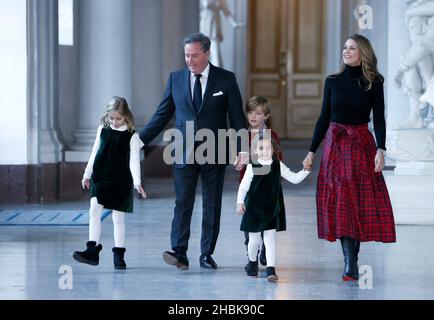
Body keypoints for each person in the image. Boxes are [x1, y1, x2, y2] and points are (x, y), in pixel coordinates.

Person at [139, 32, 246, 270]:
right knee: (183, 203)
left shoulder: (226, 79)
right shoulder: (176, 79)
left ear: (207, 53)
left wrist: (243, 149)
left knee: (211, 204)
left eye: (195, 55)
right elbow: (162, 115)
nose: (190, 60)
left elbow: (237, 118)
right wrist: (138, 141)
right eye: (187, 55)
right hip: (183, 150)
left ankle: (206, 254)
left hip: (214, 150)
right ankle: (179, 253)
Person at [303, 34, 396, 282]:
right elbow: (323, 118)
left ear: (362, 52)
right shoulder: (332, 81)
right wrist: (311, 151)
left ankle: (352, 257)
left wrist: (381, 149)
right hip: (335, 145)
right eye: (344, 47)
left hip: (362, 144)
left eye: (352, 48)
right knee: (342, 199)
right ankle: (349, 261)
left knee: (358, 199)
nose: (346, 51)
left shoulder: (373, 82)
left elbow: (379, 119)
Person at [73, 96, 146, 270]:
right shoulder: (102, 130)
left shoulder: (132, 136)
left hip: (120, 180)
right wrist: (87, 174)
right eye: (111, 118)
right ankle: (92, 251)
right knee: (94, 210)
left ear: (126, 117)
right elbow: (95, 152)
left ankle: (119, 255)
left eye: (118, 118)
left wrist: (137, 182)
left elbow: (134, 160)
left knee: (118, 218)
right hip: (100, 176)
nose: (114, 121)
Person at [237, 135, 309, 282]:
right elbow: (243, 187)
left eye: (268, 148)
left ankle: (271, 269)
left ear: (274, 149)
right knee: (254, 241)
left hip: (271, 209)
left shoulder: (278, 165)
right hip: (253, 209)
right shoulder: (252, 166)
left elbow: (294, 178)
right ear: (255, 151)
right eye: (261, 148)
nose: (264, 151)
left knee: (270, 240)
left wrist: (305, 171)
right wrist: (239, 202)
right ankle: (252, 263)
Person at [240, 96, 283, 268]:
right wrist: (239, 162)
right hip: (250, 187)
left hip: (268, 187)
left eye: (258, 113)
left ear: (266, 116)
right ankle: (251, 253)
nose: (253, 116)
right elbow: (239, 157)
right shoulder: (243, 135)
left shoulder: (272, 136)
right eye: (250, 112)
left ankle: (265, 248)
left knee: (267, 219)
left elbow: (278, 158)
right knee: (250, 222)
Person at [199, 0, 244, 67]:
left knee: (215, 54)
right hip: (204, 24)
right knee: (203, 52)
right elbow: (200, 7)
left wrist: (234, 23)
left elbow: (227, 12)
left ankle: (217, 75)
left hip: (214, 25)